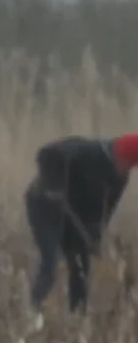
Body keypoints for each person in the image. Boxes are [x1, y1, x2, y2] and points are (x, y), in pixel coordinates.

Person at [25, 133, 138, 313]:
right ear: (120, 155)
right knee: (51, 261)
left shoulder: (120, 178)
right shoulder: (89, 153)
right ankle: (32, 309)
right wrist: (55, 185)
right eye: (125, 163)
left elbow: (103, 212)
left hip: (74, 212)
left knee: (80, 265)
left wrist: (95, 237)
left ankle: (77, 315)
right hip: (44, 204)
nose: (124, 169)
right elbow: (46, 154)